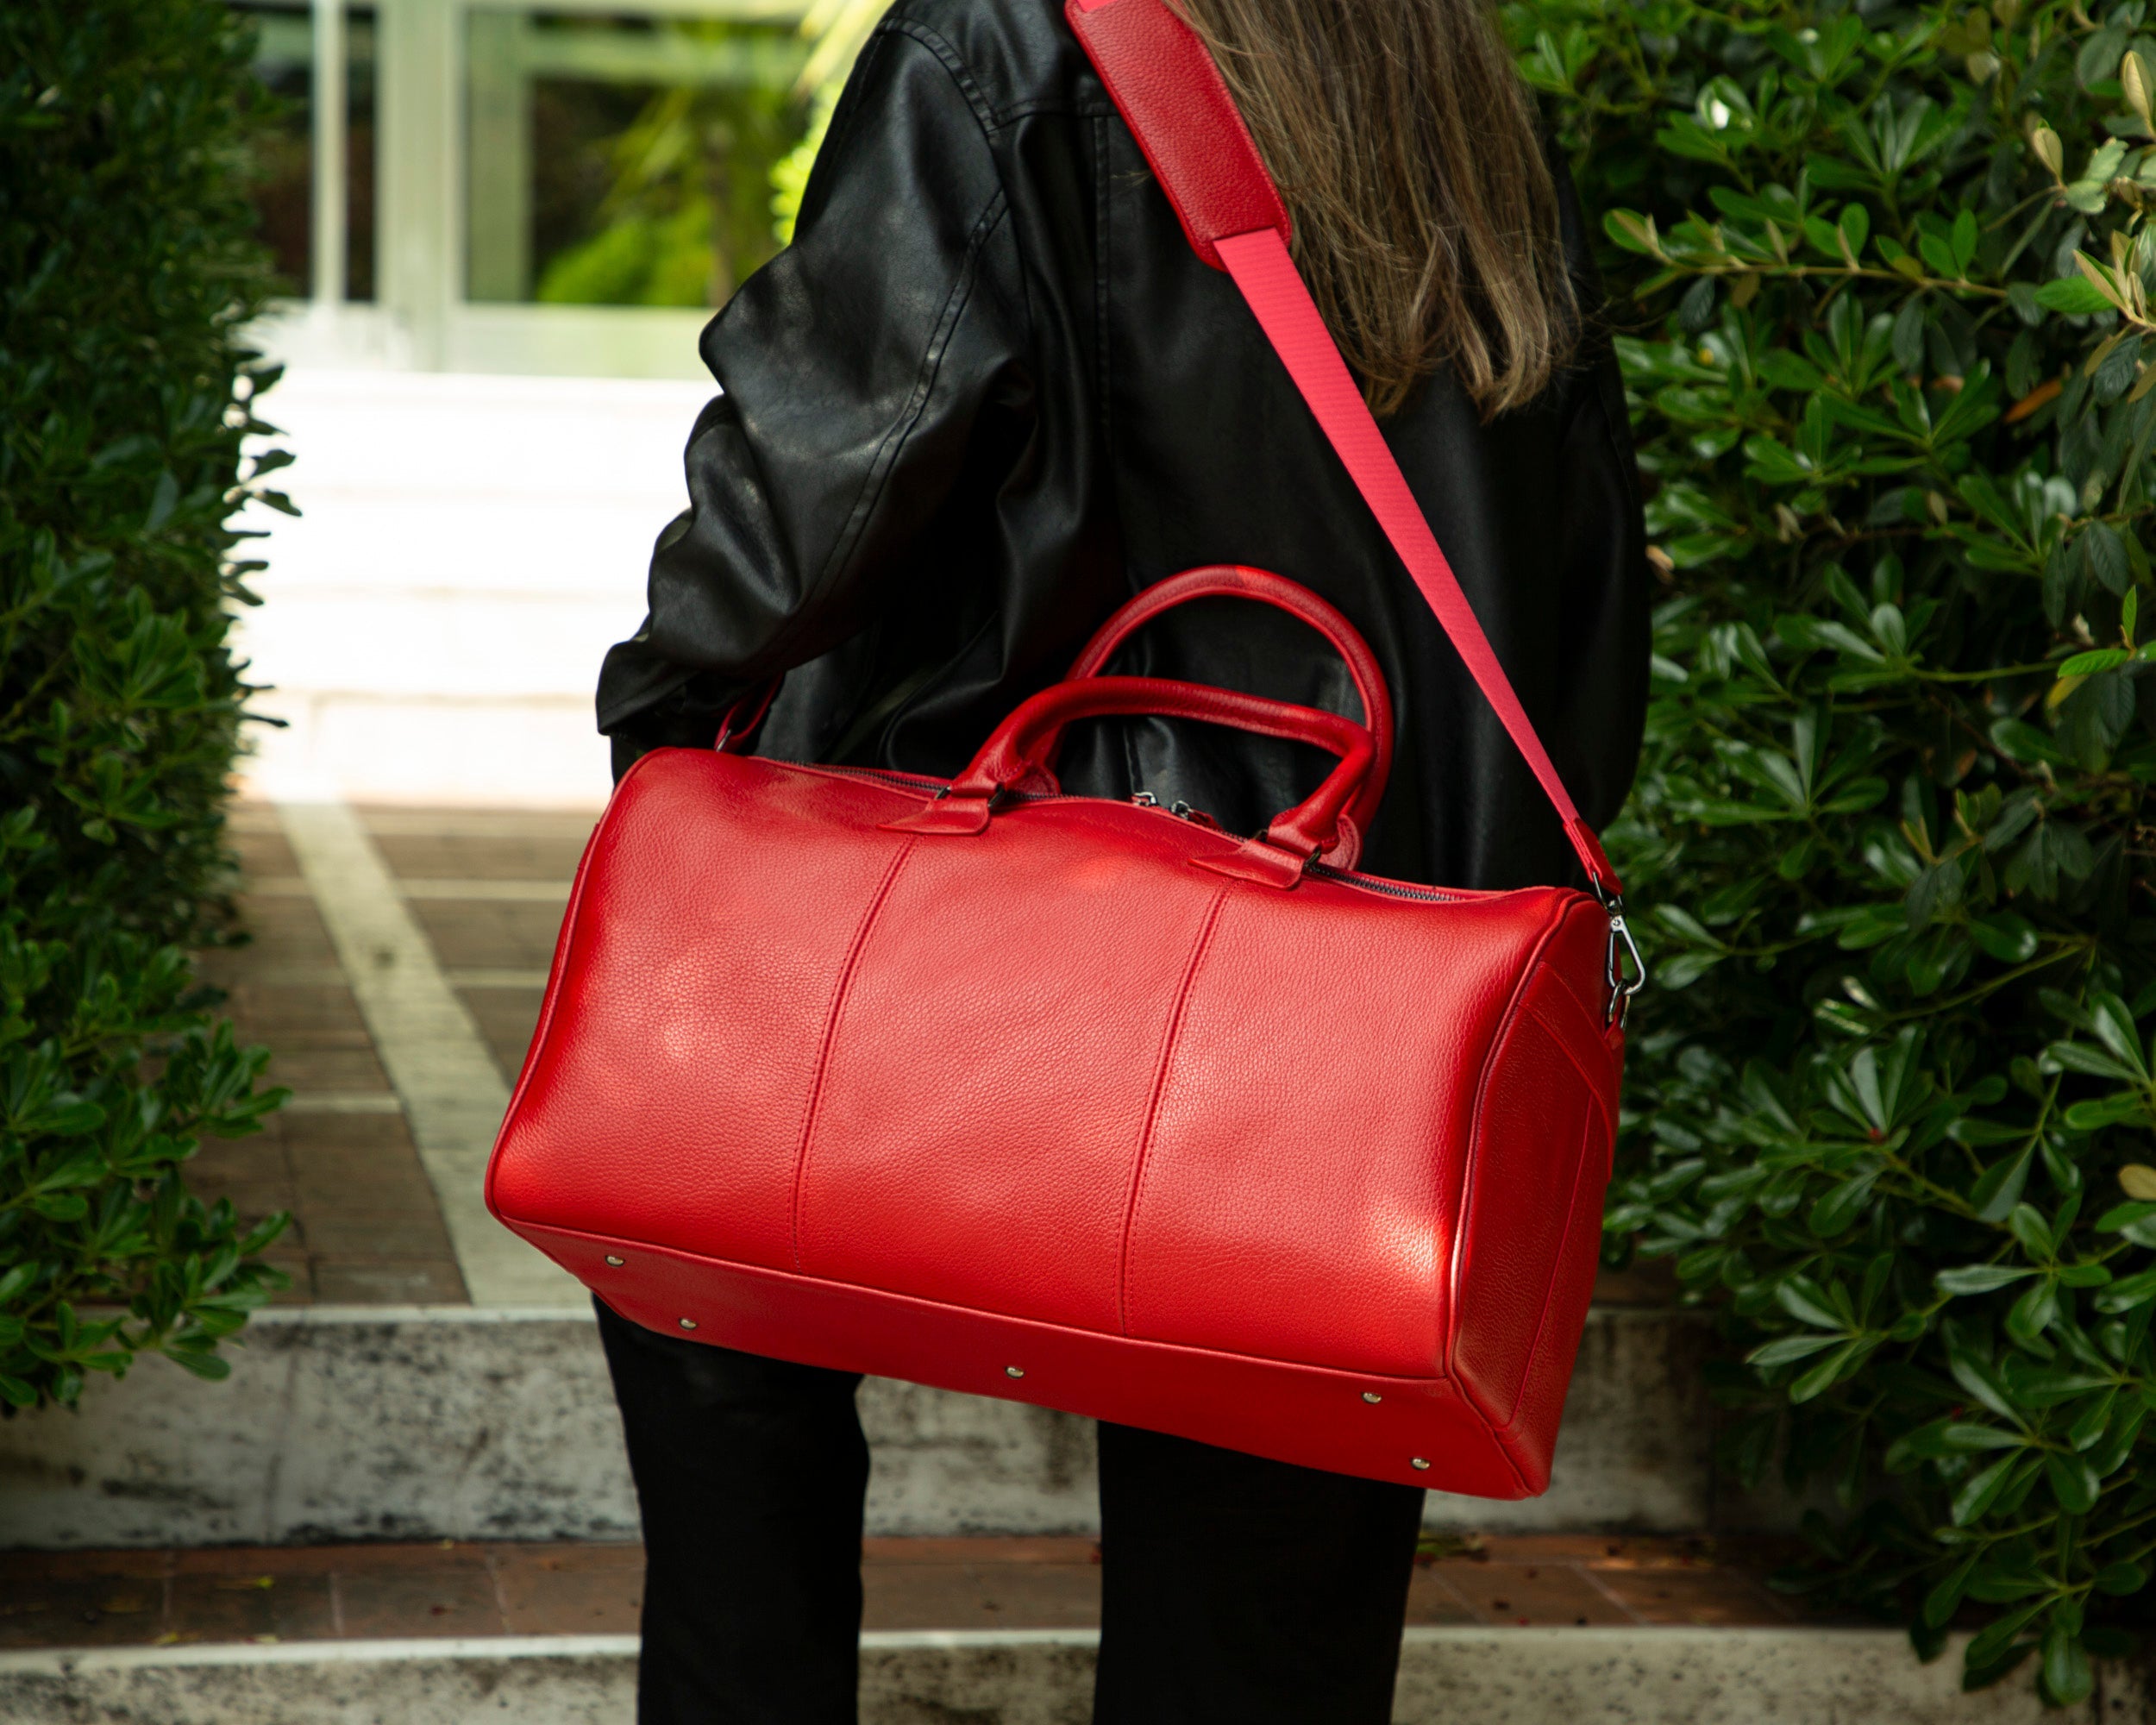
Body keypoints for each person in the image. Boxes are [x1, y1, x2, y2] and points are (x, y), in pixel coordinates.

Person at [591, 0, 1648, 1717]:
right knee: (1267, 1578)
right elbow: (1585, 589)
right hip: (1362, 985)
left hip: (1000, 938)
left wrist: (665, 696)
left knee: (708, 1287)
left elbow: (827, 467)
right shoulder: (1447, 79)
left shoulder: (997, 39)